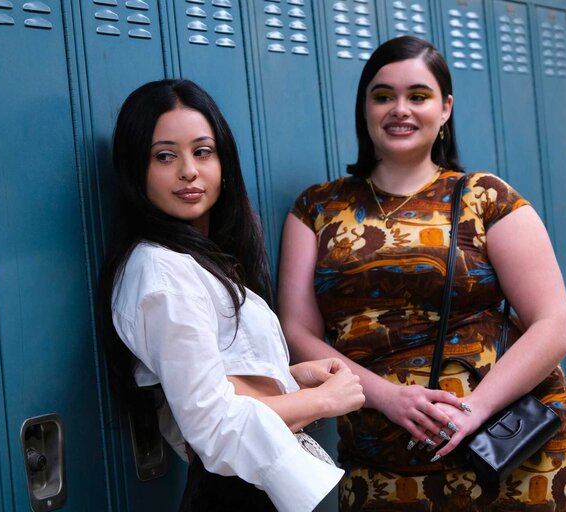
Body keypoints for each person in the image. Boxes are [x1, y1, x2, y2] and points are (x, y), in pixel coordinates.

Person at [278, 36, 566, 510]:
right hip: (381, 459)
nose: (399, 109)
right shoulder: (317, 208)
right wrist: (383, 396)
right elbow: (297, 331)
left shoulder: (486, 197)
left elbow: (555, 326)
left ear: (445, 109)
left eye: (417, 96)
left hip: (507, 450)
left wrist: (473, 410)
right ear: (365, 107)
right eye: (383, 96)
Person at [98, 79, 366, 512]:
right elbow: (211, 425)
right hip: (229, 497)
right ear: (136, 169)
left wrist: (291, 377)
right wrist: (325, 401)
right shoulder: (161, 271)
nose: (188, 170)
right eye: (165, 156)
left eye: (202, 152)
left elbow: (214, 382)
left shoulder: (197, 262)